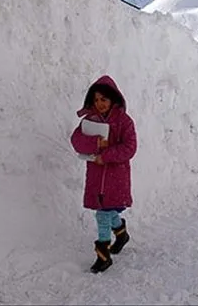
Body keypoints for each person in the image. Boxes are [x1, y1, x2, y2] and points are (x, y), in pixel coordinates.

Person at [70, 75, 137, 273]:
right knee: (107, 211)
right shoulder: (88, 121)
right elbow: (76, 141)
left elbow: (130, 148)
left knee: (103, 214)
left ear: (113, 99)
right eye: (96, 100)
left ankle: (103, 256)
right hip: (96, 177)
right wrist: (96, 143)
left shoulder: (125, 122)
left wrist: (105, 155)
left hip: (116, 177)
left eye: (104, 100)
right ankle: (121, 233)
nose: (99, 104)